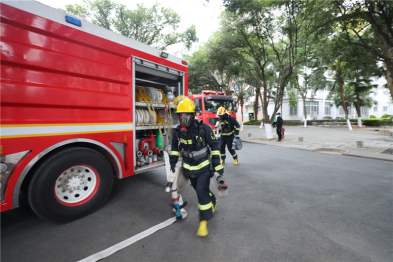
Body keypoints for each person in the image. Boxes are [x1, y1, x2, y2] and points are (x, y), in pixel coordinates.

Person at [170, 97, 223, 237]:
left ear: (193, 115)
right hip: (189, 170)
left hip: (204, 168)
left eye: (186, 114)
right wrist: (173, 162)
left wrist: (217, 165)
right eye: (181, 115)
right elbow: (175, 148)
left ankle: (203, 222)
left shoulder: (203, 128)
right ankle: (213, 201)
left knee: (201, 192)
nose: (183, 118)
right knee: (200, 189)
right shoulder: (176, 131)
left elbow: (215, 146)